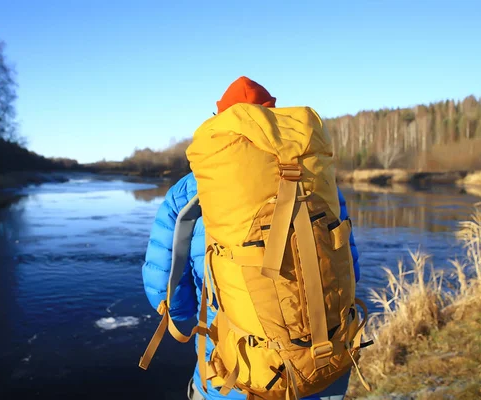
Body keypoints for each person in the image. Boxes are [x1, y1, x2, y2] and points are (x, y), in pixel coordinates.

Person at [142, 76, 361, 400]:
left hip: (237, 378)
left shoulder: (188, 193)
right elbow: (349, 271)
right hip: (322, 369)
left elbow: (173, 302)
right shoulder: (318, 182)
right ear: (274, 118)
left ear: (222, 124)